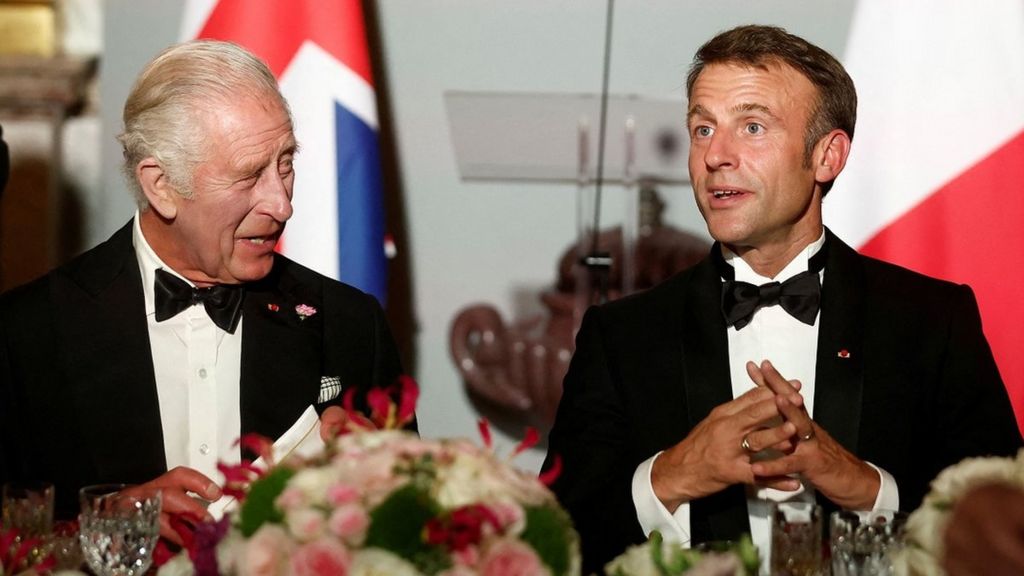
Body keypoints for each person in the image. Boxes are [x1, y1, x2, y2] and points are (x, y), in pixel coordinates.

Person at [543, 24, 1022, 574]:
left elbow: (1005, 529)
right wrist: (674, 474)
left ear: (827, 157)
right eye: (702, 128)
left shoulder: (931, 322)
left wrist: (861, 484)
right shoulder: (622, 335)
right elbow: (552, 538)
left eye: (752, 126)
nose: (716, 155)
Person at [0, 40, 405, 540]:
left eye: (285, 164)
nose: (281, 205)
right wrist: (100, 525)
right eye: (250, 175)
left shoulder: (348, 324)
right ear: (161, 185)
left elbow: (414, 534)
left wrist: (375, 487)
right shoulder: (26, 334)